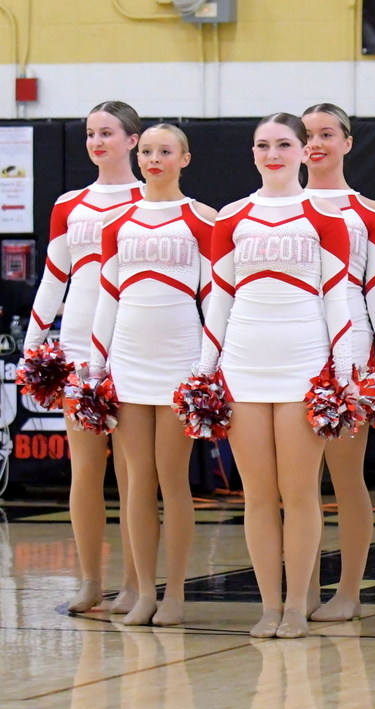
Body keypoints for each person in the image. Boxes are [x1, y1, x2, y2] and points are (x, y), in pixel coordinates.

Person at [199, 113, 354, 639]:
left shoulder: (325, 216)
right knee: (258, 494)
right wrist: (205, 372)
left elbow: (337, 300)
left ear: (303, 150)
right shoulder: (232, 216)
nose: (273, 154)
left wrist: (342, 372)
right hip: (243, 364)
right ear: (253, 152)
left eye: (284, 144)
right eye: (263, 145)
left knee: (300, 492)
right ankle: (269, 606)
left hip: (304, 366)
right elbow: (219, 300)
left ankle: (296, 606)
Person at [88, 124, 215, 626]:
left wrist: (207, 367)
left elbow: (215, 298)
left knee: (172, 479)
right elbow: (107, 297)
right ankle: (143, 592)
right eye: (146, 151)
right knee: (137, 480)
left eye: (165, 151)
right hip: (129, 360)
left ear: (185, 158)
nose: (154, 158)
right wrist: (97, 365)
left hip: (180, 358)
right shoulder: (117, 221)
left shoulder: (202, 218)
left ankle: (176, 593)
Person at [23, 101, 142, 614]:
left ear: (132, 140)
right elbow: (54, 278)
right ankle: (91, 581)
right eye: (91, 133)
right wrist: (33, 344)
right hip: (76, 348)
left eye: (107, 133)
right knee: (86, 472)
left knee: (136, 475)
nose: (97, 142)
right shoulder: (69, 204)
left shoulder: (150, 200)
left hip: (132, 346)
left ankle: (136, 584)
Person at [302, 103, 375, 623]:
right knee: (297, 483)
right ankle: (303, 588)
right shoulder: (275, 205)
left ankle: (349, 592)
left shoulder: (371, 212)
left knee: (345, 476)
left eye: (326, 134)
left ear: (347, 143)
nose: (315, 143)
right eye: (306, 135)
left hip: (351, 346)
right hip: (290, 341)